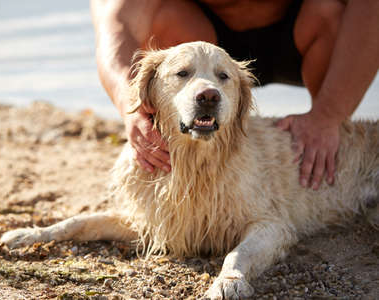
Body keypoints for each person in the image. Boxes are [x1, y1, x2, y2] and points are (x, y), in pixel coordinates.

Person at [90, 0, 379, 190]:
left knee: (331, 9)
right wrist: (132, 106)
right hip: (199, 41)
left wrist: (328, 115)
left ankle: (326, 141)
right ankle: (177, 151)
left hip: (305, 30)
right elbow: (115, 27)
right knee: (164, 16)